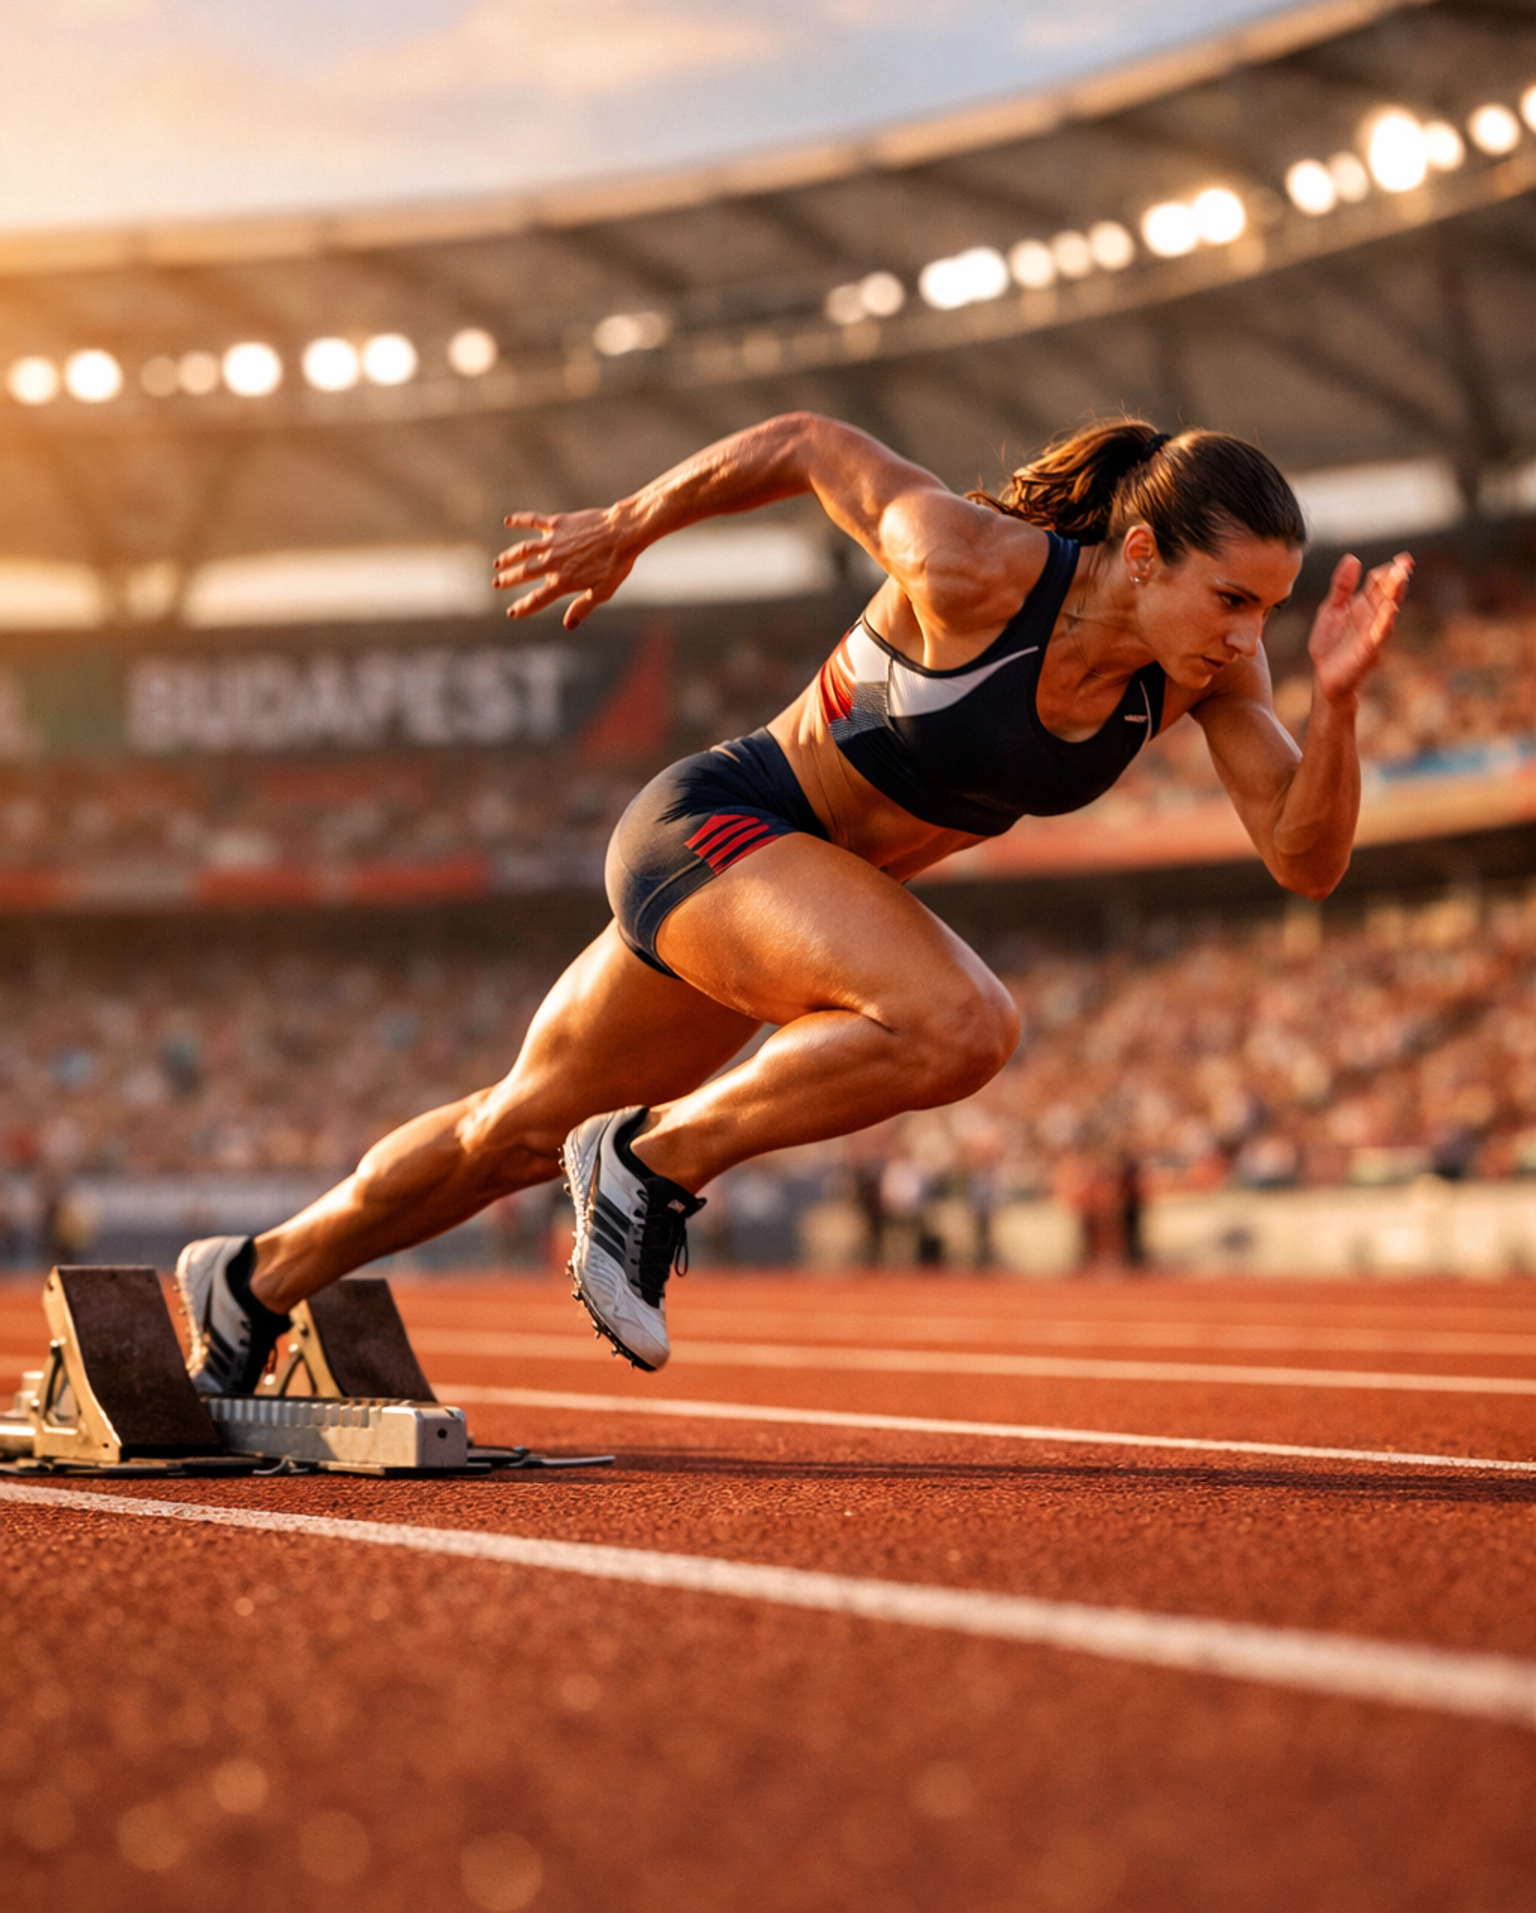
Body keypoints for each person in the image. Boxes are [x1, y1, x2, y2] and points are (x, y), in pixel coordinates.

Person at [174, 413, 1408, 1382]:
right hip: (715, 830)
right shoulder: (973, 563)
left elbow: (1304, 860)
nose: (1249, 636)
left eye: (1270, 609)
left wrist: (1340, 702)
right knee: (963, 1022)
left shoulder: (1207, 678)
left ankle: (253, 1281)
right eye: (1232, 599)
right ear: (1141, 555)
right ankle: (649, 1162)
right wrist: (630, 524)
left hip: (798, 903)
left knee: (508, 1136)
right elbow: (812, 443)